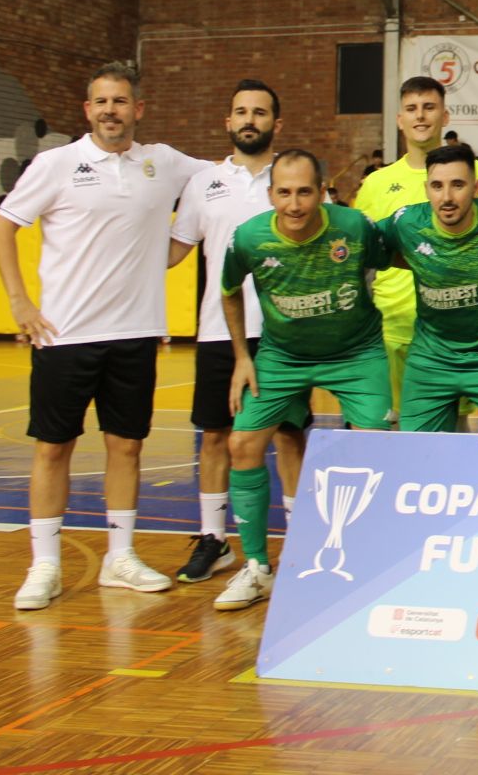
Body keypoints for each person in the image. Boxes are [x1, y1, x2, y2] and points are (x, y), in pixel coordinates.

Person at [0, 62, 211, 611]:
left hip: (136, 335)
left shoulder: (164, 163)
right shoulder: (57, 164)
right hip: (64, 335)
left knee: (127, 446)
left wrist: (183, 243)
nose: (111, 110)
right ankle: (44, 564)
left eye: (121, 101)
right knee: (53, 448)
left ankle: (121, 557)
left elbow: (223, 177)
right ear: (87, 110)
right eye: (101, 102)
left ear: (138, 108)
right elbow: (3, 226)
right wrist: (20, 302)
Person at [214, 151, 397, 612]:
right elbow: (229, 292)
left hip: (356, 353)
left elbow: (400, 257)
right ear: (270, 193)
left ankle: (371, 561)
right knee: (242, 445)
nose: (294, 204)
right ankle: (256, 567)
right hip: (283, 356)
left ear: (322, 191)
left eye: (304, 192)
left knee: (375, 450)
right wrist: (242, 355)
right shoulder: (249, 239)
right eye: (284, 192)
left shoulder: (354, 227)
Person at [165, 80, 307, 585]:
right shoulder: (204, 183)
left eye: (261, 112)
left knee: (290, 435)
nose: (251, 119)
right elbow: (173, 251)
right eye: (241, 112)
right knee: (215, 436)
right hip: (218, 332)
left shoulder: (293, 179)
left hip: (285, 332)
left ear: (277, 123)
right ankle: (213, 539)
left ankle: (299, 540)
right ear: (228, 122)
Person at [353, 77, 478, 427]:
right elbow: (360, 260)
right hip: (395, 329)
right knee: (391, 431)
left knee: (457, 430)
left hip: (458, 332)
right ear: (399, 119)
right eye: (412, 109)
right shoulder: (375, 184)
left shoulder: (477, 173)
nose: (421, 116)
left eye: (429, 107)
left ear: (445, 116)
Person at [383, 145, 478, 434]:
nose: (447, 197)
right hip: (431, 360)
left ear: (475, 188)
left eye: (458, 185)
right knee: (416, 460)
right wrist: (419, 261)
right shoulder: (406, 222)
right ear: (426, 188)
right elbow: (356, 240)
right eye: (437, 186)